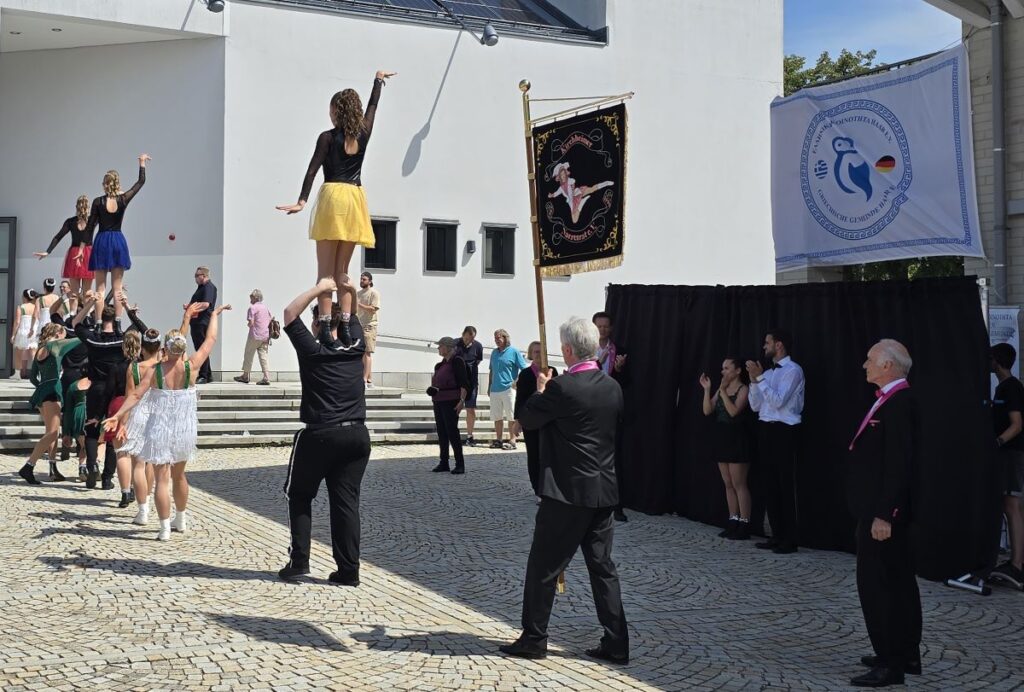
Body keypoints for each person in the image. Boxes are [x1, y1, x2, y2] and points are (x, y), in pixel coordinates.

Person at [500, 317, 628, 663]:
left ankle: (534, 637)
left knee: (543, 567)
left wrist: (542, 390)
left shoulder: (563, 388)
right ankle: (617, 641)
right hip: (604, 491)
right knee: (603, 568)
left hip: (567, 493)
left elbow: (527, 419)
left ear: (568, 350)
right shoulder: (611, 387)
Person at [277, 70, 396, 347]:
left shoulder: (327, 138)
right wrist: (377, 82)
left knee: (325, 273)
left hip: (332, 196)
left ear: (336, 111)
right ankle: (345, 324)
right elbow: (373, 106)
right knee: (343, 271)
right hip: (355, 197)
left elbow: (312, 170)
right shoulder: (364, 132)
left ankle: (327, 328)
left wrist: (302, 201)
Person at [106, 303, 229, 541]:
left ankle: (163, 528)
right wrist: (214, 315)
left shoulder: (155, 371)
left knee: (162, 478)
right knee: (179, 476)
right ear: (182, 349)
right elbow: (211, 338)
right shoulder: (191, 367)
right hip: (184, 428)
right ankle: (180, 518)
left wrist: (117, 415)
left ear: (165, 348)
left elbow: (135, 395)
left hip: (160, 427)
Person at [275, 279, 371, 586]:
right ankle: (348, 570)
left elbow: (290, 313)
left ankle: (299, 560)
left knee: (299, 494)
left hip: (320, 434)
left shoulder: (314, 351)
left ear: (317, 323)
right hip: (356, 434)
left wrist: (320, 289)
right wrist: (349, 290)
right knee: (346, 503)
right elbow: (352, 315)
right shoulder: (356, 346)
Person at [847, 339, 921, 688]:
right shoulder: (889, 400)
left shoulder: (901, 403)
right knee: (897, 581)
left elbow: (899, 465)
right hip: (878, 509)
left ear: (888, 366)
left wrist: (885, 514)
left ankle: (891, 662)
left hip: (883, 515)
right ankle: (903, 652)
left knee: (879, 586)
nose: (865, 365)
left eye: (870, 359)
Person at [746, 328, 805, 554]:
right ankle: (776, 534)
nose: (764, 346)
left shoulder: (793, 370)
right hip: (765, 429)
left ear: (779, 345)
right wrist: (754, 382)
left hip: (784, 430)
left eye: (767, 342)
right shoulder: (768, 373)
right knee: (769, 483)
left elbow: (779, 402)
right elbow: (756, 406)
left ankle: (790, 538)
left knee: (784, 484)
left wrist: (759, 379)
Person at [72, 293, 127, 489]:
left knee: (92, 430)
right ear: (115, 318)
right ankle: (107, 478)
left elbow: (75, 322)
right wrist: (127, 307)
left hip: (96, 387)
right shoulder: (121, 340)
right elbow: (141, 329)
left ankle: (91, 464)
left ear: (101, 318)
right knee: (112, 435)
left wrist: (89, 303)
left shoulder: (93, 340)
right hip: (115, 391)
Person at [85, 154, 150, 319]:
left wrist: (84, 246)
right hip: (118, 241)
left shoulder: (98, 202)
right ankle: (119, 323)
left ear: (104, 185)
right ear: (117, 183)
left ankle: (99, 323)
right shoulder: (123, 199)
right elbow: (140, 183)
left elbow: (90, 226)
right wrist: (141, 163)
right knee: (117, 288)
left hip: (101, 241)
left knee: (100, 288)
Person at [18, 323, 81, 485]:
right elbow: (78, 340)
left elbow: (33, 377)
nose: (65, 336)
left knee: (50, 433)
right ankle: (29, 466)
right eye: (64, 334)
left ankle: (52, 469)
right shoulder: (54, 345)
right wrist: (91, 336)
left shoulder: (41, 349)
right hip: (53, 391)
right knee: (53, 433)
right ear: (58, 333)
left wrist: (42, 387)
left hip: (42, 391)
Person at [700, 358, 753, 539]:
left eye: (727, 368)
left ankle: (745, 523)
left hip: (737, 438)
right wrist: (707, 390)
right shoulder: (721, 390)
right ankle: (733, 520)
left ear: (737, 371)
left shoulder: (743, 389)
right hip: (722, 438)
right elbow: (707, 410)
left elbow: (733, 411)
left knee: (739, 483)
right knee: (728, 483)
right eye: (722, 368)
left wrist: (722, 390)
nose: (723, 371)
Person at [117, 327, 164, 525]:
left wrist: (122, 423)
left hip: (138, 414)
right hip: (157, 414)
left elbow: (130, 397)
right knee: (151, 462)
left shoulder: (134, 368)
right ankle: (149, 502)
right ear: (159, 347)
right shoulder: (163, 367)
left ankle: (142, 508)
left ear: (142, 347)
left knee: (138, 463)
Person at [990, 343, 1024, 587]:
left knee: (1012, 507)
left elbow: (1017, 424)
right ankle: (1016, 561)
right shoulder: (1003, 387)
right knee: (1011, 506)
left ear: (997, 360)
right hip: (1009, 454)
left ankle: (1016, 564)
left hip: (1012, 454)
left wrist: (997, 442)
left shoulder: (1011, 388)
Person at [593, 312, 629, 521]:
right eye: (599, 326)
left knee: (614, 458)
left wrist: (618, 370)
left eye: (606, 326)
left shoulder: (620, 350)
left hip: (611, 408)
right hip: (590, 407)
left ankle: (616, 504)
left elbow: (628, 382)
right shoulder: (587, 350)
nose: (603, 330)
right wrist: (599, 362)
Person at [514, 341, 559, 495]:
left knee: (549, 454)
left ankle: (550, 487)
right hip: (531, 419)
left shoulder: (552, 371)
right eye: (536, 352)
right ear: (530, 354)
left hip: (549, 420)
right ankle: (537, 489)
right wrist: (517, 421)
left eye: (542, 351)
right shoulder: (526, 374)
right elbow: (520, 399)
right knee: (534, 454)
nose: (539, 355)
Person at [34, 196, 95, 308]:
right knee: (87, 292)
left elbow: (58, 237)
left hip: (74, 253)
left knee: (74, 292)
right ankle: (87, 316)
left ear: (76, 206)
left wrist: (48, 251)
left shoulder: (71, 221)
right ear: (88, 207)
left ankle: (72, 315)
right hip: (88, 253)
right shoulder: (92, 220)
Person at [428, 337, 469, 475]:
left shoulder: (457, 361)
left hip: (451, 400)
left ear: (447, 347)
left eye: (440, 346)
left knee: (452, 431)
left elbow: (464, 383)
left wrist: (461, 401)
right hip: (439, 400)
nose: (438, 348)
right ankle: (444, 461)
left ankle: (459, 463)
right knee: (442, 432)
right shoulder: (439, 365)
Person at [488, 328, 528, 450]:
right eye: (495, 338)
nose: (496, 340)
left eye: (499, 337)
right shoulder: (494, 353)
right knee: (497, 416)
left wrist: (516, 382)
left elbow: (524, 369)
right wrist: (489, 386)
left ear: (505, 338)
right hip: (495, 389)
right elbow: (491, 370)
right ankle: (499, 440)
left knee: (511, 416)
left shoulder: (514, 352)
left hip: (508, 389)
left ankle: (512, 440)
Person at [187, 266, 218, 384]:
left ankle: (204, 375)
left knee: (201, 349)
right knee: (200, 348)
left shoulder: (208, 287)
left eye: (197, 276)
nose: (195, 278)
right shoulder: (201, 288)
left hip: (202, 322)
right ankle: (207, 374)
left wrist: (191, 308)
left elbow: (205, 304)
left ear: (204, 276)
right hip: (196, 321)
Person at [235, 289, 272, 385]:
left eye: (251, 297)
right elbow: (270, 319)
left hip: (255, 335)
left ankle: (245, 376)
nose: (250, 299)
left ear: (255, 297)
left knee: (248, 354)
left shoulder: (252, 308)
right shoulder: (265, 308)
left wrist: (249, 325)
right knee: (263, 356)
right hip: (265, 336)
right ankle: (266, 377)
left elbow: (251, 323)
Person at [455, 326, 484, 446]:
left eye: (471, 339)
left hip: (471, 383)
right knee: (454, 407)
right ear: (463, 335)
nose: (469, 341)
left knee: (470, 409)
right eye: (467, 338)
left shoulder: (478, 346)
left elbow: (477, 361)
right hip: (457, 383)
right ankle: (453, 433)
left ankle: (469, 436)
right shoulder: (455, 344)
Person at [356, 272, 380, 387]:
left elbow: (373, 309)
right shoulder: (358, 293)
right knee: (361, 352)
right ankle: (369, 379)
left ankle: (364, 379)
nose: (361, 281)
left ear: (370, 281)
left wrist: (359, 305)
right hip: (359, 324)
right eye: (361, 279)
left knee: (367, 352)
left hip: (369, 325)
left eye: (364, 279)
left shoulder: (374, 293)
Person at [10, 290, 39, 379]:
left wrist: (13, 334)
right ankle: (37, 374)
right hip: (33, 330)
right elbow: (38, 318)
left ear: (25, 297)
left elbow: (17, 321)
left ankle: (17, 373)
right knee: (34, 354)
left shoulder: (21, 307)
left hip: (23, 330)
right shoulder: (35, 306)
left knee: (19, 352)